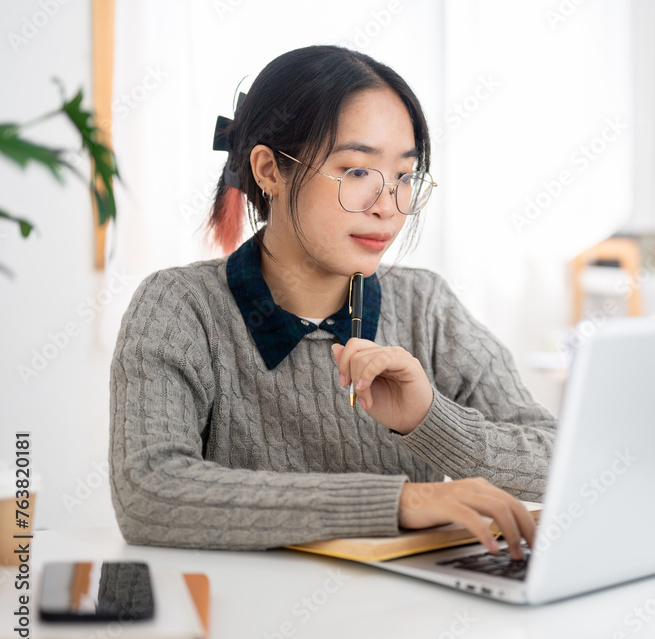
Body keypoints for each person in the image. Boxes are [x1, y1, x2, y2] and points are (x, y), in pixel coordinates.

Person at [108, 45, 556, 559]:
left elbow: (560, 459)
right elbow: (149, 492)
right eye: (357, 171)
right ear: (269, 170)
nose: (388, 207)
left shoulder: (425, 304)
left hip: (412, 623)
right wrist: (399, 502)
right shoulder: (180, 307)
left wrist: (429, 419)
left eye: (405, 177)